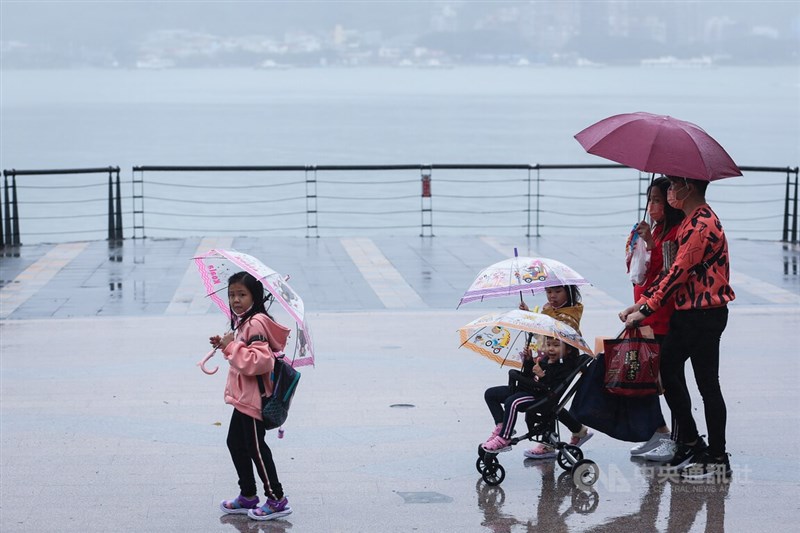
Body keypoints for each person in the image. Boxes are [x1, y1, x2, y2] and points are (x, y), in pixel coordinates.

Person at [620, 175, 735, 482]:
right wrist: (642, 302)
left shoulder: (702, 225)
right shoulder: (689, 221)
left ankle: (710, 452)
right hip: (691, 313)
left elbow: (678, 273)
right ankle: (699, 446)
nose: (669, 192)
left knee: (693, 379)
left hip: (702, 313)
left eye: (673, 187)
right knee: (680, 374)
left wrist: (645, 308)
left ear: (689, 188)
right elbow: (669, 273)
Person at [214, 271, 294, 520]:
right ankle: (248, 495)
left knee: (257, 449)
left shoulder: (256, 323)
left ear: (255, 296)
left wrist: (230, 347)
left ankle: (277, 498)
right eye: (231, 295)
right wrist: (226, 343)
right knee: (235, 443)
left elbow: (260, 362)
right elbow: (243, 353)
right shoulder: (245, 322)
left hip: (254, 400)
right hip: (244, 398)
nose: (235, 300)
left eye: (242, 294)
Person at [626, 177, 685, 461]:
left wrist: (651, 244)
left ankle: (677, 438)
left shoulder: (673, 232)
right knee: (648, 377)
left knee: (667, 378)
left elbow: (669, 274)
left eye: (658, 200)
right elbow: (636, 271)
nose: (652, 206)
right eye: (650, 200)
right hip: (642, 311)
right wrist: (638, 243)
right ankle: (659, 431)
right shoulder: (654, 229)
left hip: (660, 314)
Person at [520, 285, 593, 459]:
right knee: (551, 402)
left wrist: (541, 316)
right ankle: (577, 430)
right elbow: (542, 330)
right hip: (549, 359)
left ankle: (549, 443)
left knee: (549, 400)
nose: (552, 296)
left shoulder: (571, 312)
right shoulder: (549, 310)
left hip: (562, 363)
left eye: (557, 292)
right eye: (549, 292)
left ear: (568, 292)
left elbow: (560, 328)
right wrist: (528, 315)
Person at [482, 336, 580, 452]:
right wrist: (528, 361)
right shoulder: (544, 360)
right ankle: (502, 426)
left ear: (568, 350)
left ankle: (504, 438)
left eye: (556, 345)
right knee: (490, 394)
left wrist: (543, 376)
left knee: (512, 402)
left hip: (539, 396)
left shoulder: (564, 366)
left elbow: (552, 388)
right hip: (528, 388)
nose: (551, 349)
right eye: (548, 345)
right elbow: (530, 376)